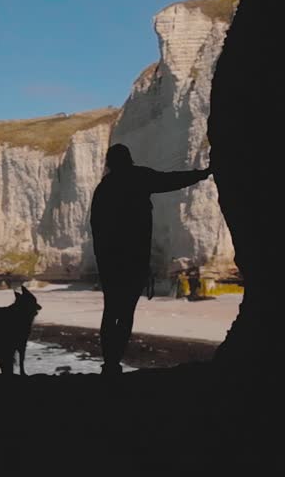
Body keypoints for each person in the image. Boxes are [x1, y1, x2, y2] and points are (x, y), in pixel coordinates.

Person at [89, 144, 212, 375]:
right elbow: (170, 181)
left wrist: (103, 260)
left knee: (111, 310)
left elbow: (97, 228)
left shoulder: (104, 189)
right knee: (126, 312)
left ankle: (110, 364)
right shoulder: (137, 177)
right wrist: (202, 174)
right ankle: (114, 362)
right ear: (129, 159)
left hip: (110, 262)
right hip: (135, 259)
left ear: (109, 163)